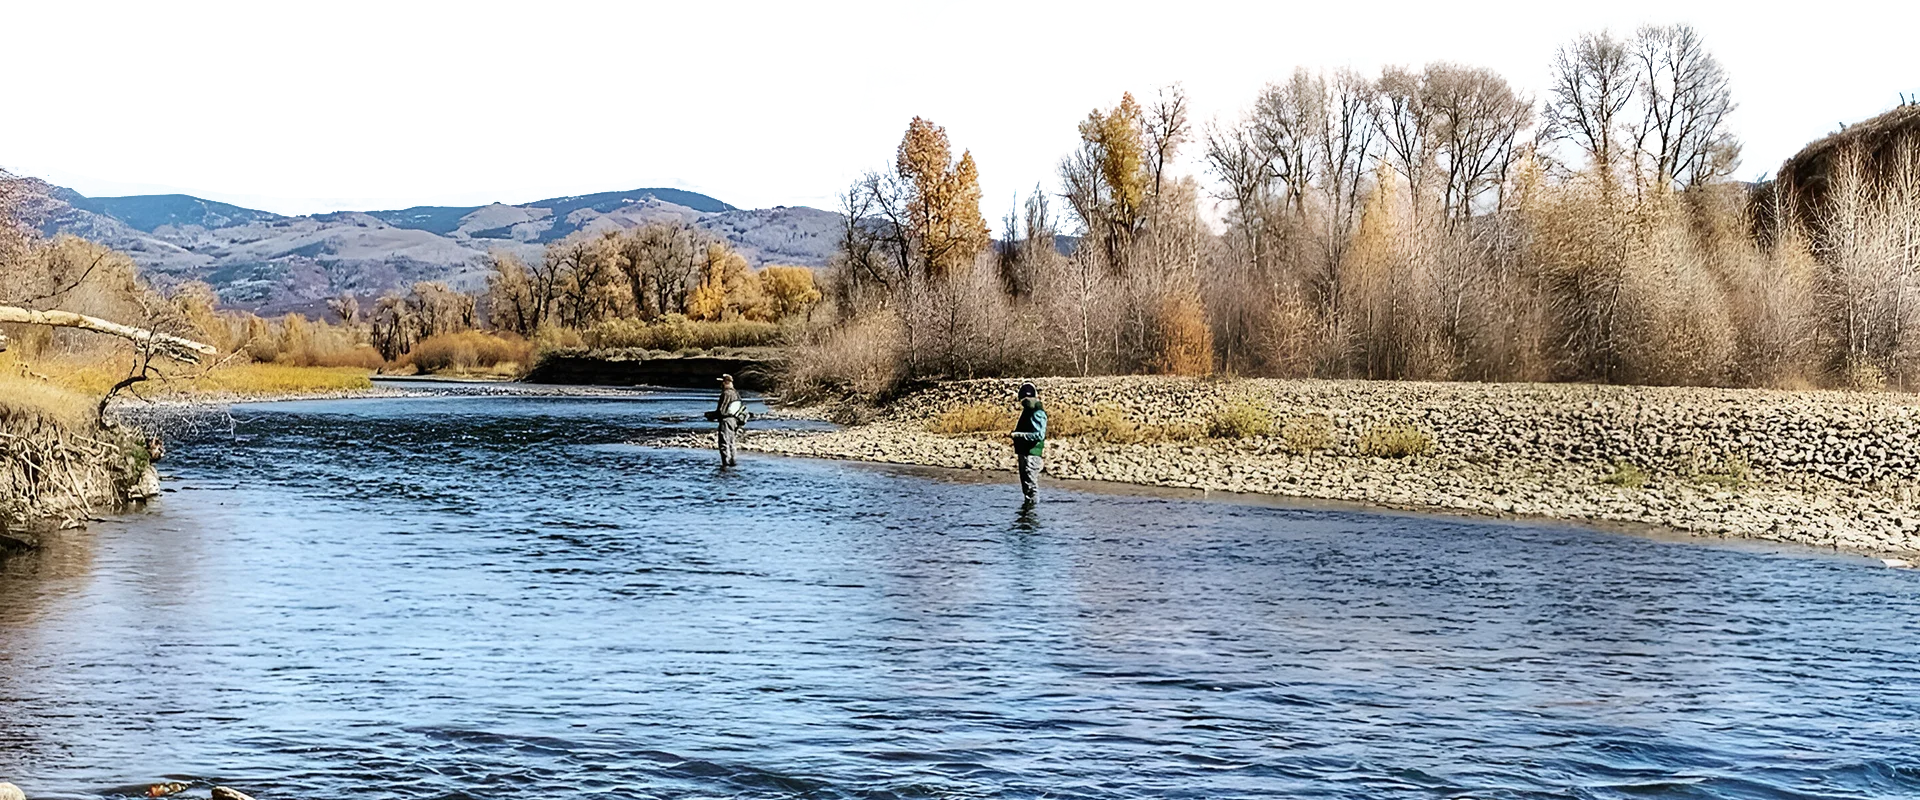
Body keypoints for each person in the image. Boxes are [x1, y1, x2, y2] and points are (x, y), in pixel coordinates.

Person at [1009, 382, 1047, 501]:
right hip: (1024, 453)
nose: (1024, 403)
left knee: (1031, 487)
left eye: (1026, 400)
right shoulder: (1028, 411)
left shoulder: (1037, 413)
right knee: (1027, 488)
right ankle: (1027, 514)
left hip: (1032, 455)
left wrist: (1018, 435)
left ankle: (1032, 514)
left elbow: (1039, 435)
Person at [704, 373, 745, 466]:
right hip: (735, 421)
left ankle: (725, 464)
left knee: (724, 443)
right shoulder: (736, 393)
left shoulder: (726, 394)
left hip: (726, 421)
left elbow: (722, 411)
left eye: (722, 382)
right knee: (732, 443)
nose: (720, 384)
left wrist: (710, 415)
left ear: (726, 382)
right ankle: (733, 463)